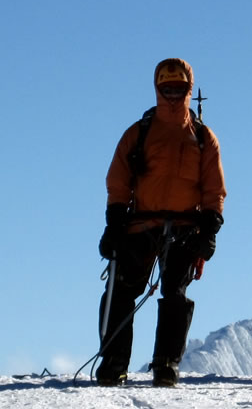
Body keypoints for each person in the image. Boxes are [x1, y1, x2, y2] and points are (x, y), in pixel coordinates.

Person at [96, 58, 226, 387]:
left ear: (188, 88)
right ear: (157, 88)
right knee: (123, 288)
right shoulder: (138, 134)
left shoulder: (203, 137)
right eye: (166, 88)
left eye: (178, 88)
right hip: (141, 224)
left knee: (174, 293)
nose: (171, 93)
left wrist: (209, 230)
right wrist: (114, 223)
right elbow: (118, 182)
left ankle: (166, 363)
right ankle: (114, 362)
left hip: (184, 228)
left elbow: (214, 189)